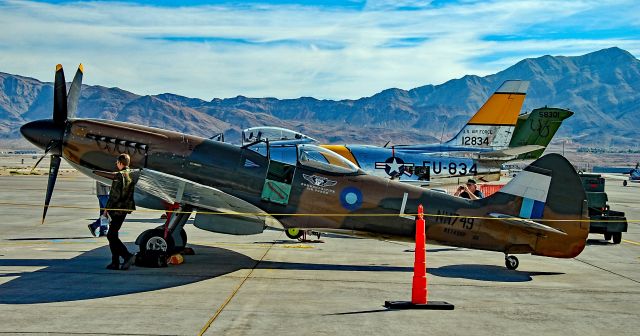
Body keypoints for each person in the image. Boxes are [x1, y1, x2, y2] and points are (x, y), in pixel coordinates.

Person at [103, 153, 137, 270]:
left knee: (111, 235)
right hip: (124, 209)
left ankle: (126, 256)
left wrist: (106, 210)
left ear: (120, 163)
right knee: (113, 234)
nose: (116, 165)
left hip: (116, 209)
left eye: (117, 162)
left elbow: (114, 195)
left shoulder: (119, 175)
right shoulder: (131, 174)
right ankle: (115, 262)